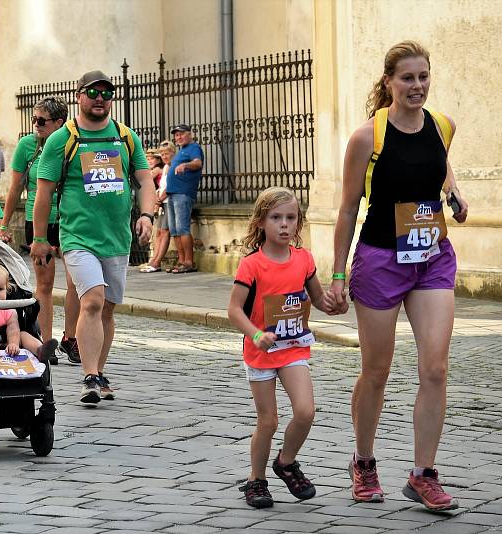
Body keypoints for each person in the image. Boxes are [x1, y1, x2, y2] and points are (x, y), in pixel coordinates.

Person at [329, 41, 467, 511]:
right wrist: (335, 273)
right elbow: (348, 209)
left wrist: (455, 193)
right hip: (381, 259)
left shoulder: (443, 125)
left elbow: (438, 159)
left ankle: (423, 473)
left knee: (435, 367)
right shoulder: (368, 137)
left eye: (424, 76)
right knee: (377, 370)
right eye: (407, 78)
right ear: (388, 81)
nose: (418, 86)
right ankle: (363, 461)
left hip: (431, 255)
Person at [30, 70, 156, 404]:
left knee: (108, 310)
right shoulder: (62, 139)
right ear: (79, 96)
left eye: (106, 92)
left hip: (116, 238)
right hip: (77, 237)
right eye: (92, 92)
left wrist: (147, 215)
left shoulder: (126, 137)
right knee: (93, 300)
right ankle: (89, 375)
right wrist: (39, 237)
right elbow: (43, 194)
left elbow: (144, 180)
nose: (100, 98)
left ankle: (98, 372)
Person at [228, 187, 342, 508]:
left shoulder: (304, 260)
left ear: (298, 222)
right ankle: (256, 480)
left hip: (293, 348)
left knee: (305, 411)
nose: (284, 225)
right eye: (276, 218)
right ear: (262, 222)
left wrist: (333, 303)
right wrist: (254, 334)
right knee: (269, 421)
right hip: (261, 352)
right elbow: (234, 310)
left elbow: (318, 299)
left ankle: (286, 462)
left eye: (291, 218)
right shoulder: (252, 265)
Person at [0, 96, 81, 364]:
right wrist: (4, 223)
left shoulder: (73, 143)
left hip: (70, 220)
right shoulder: (27, 145)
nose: (36, 124)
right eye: (34, 119)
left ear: (59, 122)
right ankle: (46, 342)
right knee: (44, 284)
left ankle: (71, 338)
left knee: (76, 283)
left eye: (41, 120)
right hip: (39, 223)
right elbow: (14, 188)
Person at [165, 124, 204, 274]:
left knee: (182, 228)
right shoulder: (182, 150)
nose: (179, 137)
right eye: (176, 135)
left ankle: (189, 262)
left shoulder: (194, 148)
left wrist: (185, 165)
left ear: (190, 134)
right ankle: (181, 262)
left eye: (181, 134)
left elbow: (198, 163)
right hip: (173, 193)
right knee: (174, 230)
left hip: (183, 193)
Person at [139, 142, 172, 273]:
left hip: (164, 201)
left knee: (163, 231)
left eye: (151, 158)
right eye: (147, 159)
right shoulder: (163, 169)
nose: (149, 161)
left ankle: (156, 261)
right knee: (158, 232)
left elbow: (146, 178)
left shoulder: (158, 169)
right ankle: (153, 259)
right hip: (160, 201)